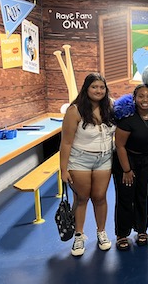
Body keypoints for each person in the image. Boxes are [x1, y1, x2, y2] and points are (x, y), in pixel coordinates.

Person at [59, 72, 116, 257]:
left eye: (102, 87)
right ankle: (79, 235)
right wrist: (63, 169)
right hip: (80, 159)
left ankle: (101, 232)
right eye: (94, 87)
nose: (98, 90)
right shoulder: (74, 110)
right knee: (82, 198)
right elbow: (66, 142)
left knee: (100, 197)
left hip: (104, 158)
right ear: (86, 88)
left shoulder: (111, 106)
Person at [112, 84, 148, 250]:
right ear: (134, 99)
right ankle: (122, 233)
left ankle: (141, 229)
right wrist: (126, 170)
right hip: (126, 161)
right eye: (141, 96)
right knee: (126, 197)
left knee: (142, 195)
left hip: (146, 161)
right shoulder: (128, 119)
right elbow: (119, 146)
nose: (145, 100)